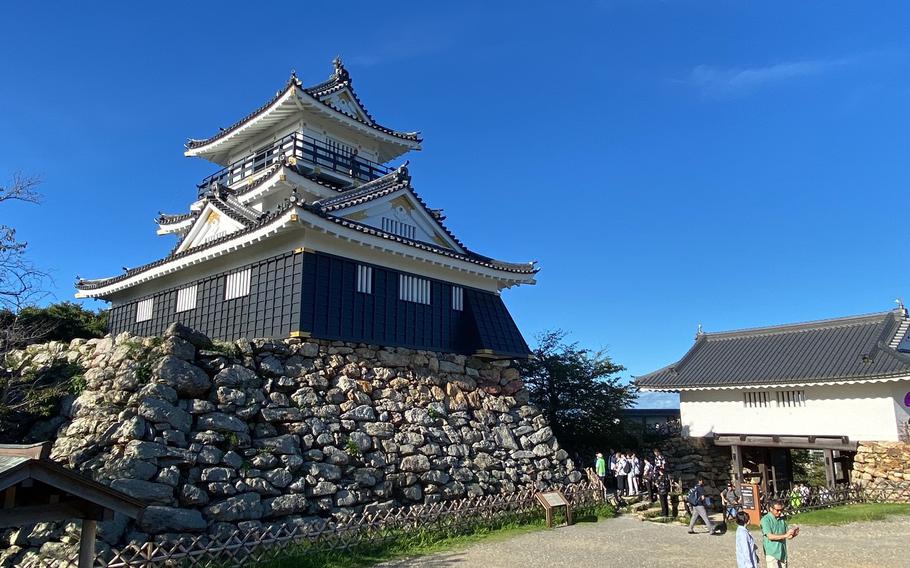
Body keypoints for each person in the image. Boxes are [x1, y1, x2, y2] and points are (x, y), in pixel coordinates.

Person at [761, 499, 799, 567]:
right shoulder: (765, 520)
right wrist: (786, 535)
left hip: (782, 553)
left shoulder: (781, 520)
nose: (779, 512)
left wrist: (793, 534)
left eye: (781, 510)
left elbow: (788, 536)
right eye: (777, 510)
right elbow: (770, 536)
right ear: (771, 509)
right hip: (772, 553)